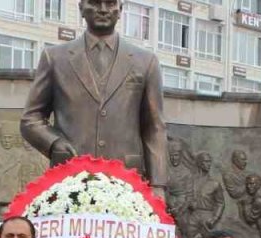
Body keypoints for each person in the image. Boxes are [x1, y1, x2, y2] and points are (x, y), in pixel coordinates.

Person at [20, 0, 168, 193]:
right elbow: (31, 119)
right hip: (70, 180)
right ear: (81, 8)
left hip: (127, 180)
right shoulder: (55, 58)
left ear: (120, 10)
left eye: (110, 3)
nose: (103, 10)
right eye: (95, 3)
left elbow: (155, 127)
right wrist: (54, 143)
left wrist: (158, 184)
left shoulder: (146, 61)